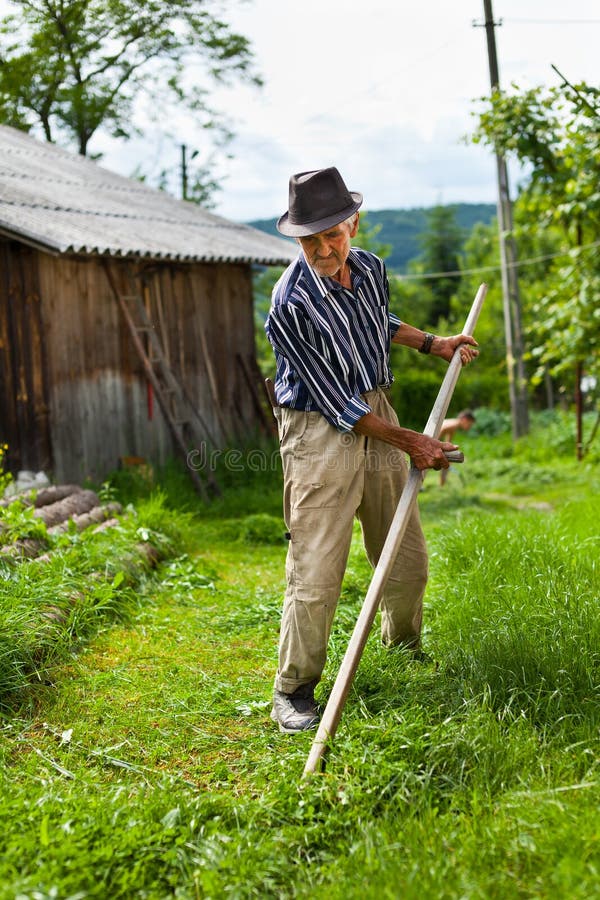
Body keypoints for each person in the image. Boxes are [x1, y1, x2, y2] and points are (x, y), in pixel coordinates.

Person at [265, 167, 478, 733]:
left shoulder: (372, 270)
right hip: (319, 428)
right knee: (317, 567)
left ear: (352, 224)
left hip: (376, 409)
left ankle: (403, 648)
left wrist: (434, 344)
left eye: (332, 234)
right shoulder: (288, 302)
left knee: (405, 555)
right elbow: (336, 404)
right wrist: (414, 443)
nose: (322, 248)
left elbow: (375, 321)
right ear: (297, 239)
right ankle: (294, 689)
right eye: (309, 239)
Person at [438, 410, 476, 486]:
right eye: (470, 424)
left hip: (432, 442)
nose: (469, 427)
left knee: (448, 461)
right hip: (428, 443)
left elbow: (448, 443)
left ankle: (442, 485)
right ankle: (441, 485)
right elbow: (436, 436)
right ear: (465, 419)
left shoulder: (454, 425)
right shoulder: (453, 425)